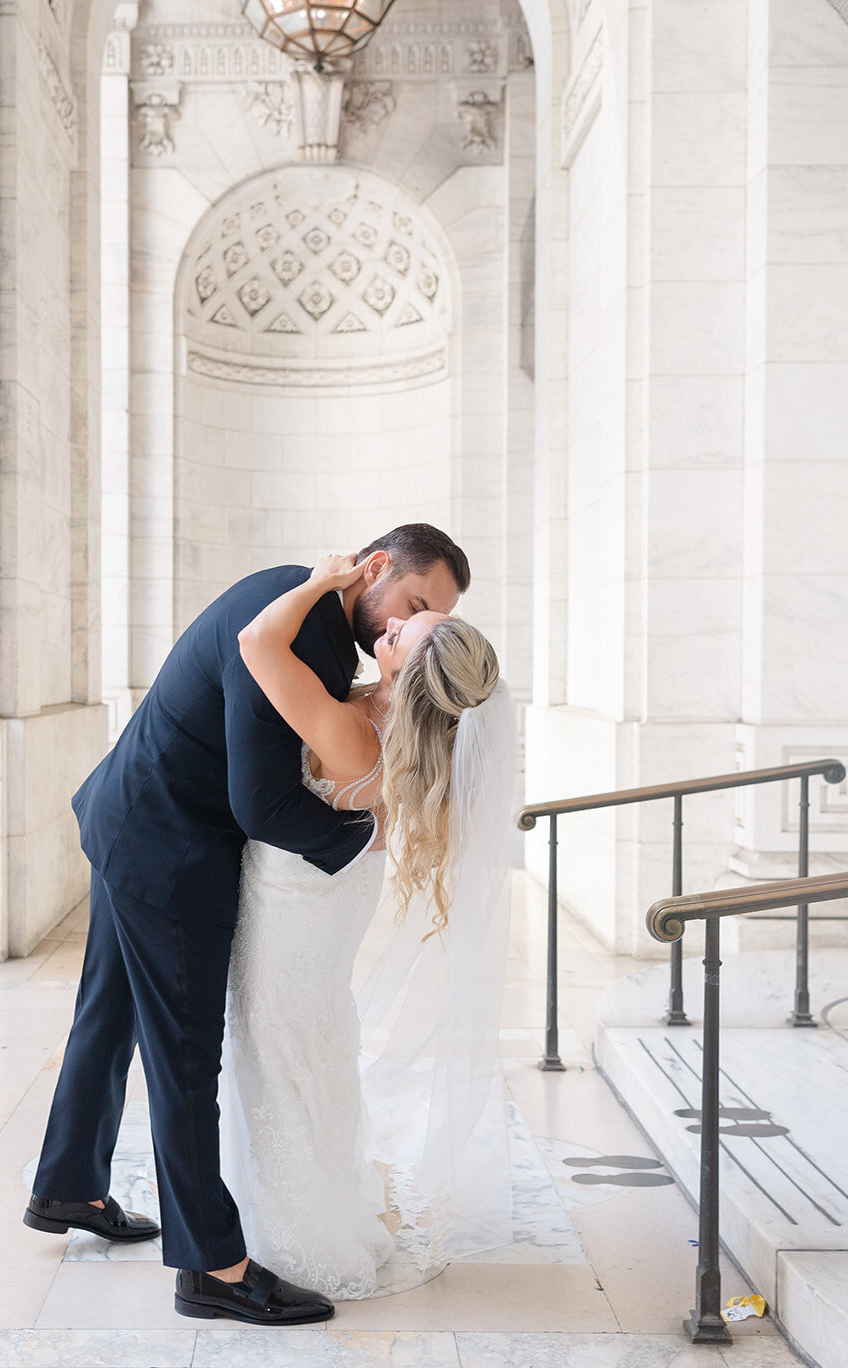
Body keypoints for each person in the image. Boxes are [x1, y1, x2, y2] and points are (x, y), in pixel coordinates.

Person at [23, 523, 469, 1327]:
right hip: (167, 851)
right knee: (185, 1059)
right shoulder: (293, 625)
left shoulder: (314, 622)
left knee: (110, 1014)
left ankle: (68, 1186)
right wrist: (360, 837)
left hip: (134, 819)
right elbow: (259, 806)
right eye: (412, 602)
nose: (404, 625)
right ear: (373, 570)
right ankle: (214, 1270)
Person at [222, 552, 518, 1298]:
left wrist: (325, 579)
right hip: (335, 898)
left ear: (406, 672)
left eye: (401, 631)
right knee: (315, 1043)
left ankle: (294, 1239)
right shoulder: (407, 735)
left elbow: (256, 643)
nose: (386, 624)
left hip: (292, 904)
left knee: (277, 1054)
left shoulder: (355, 733)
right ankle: (318, 1208)